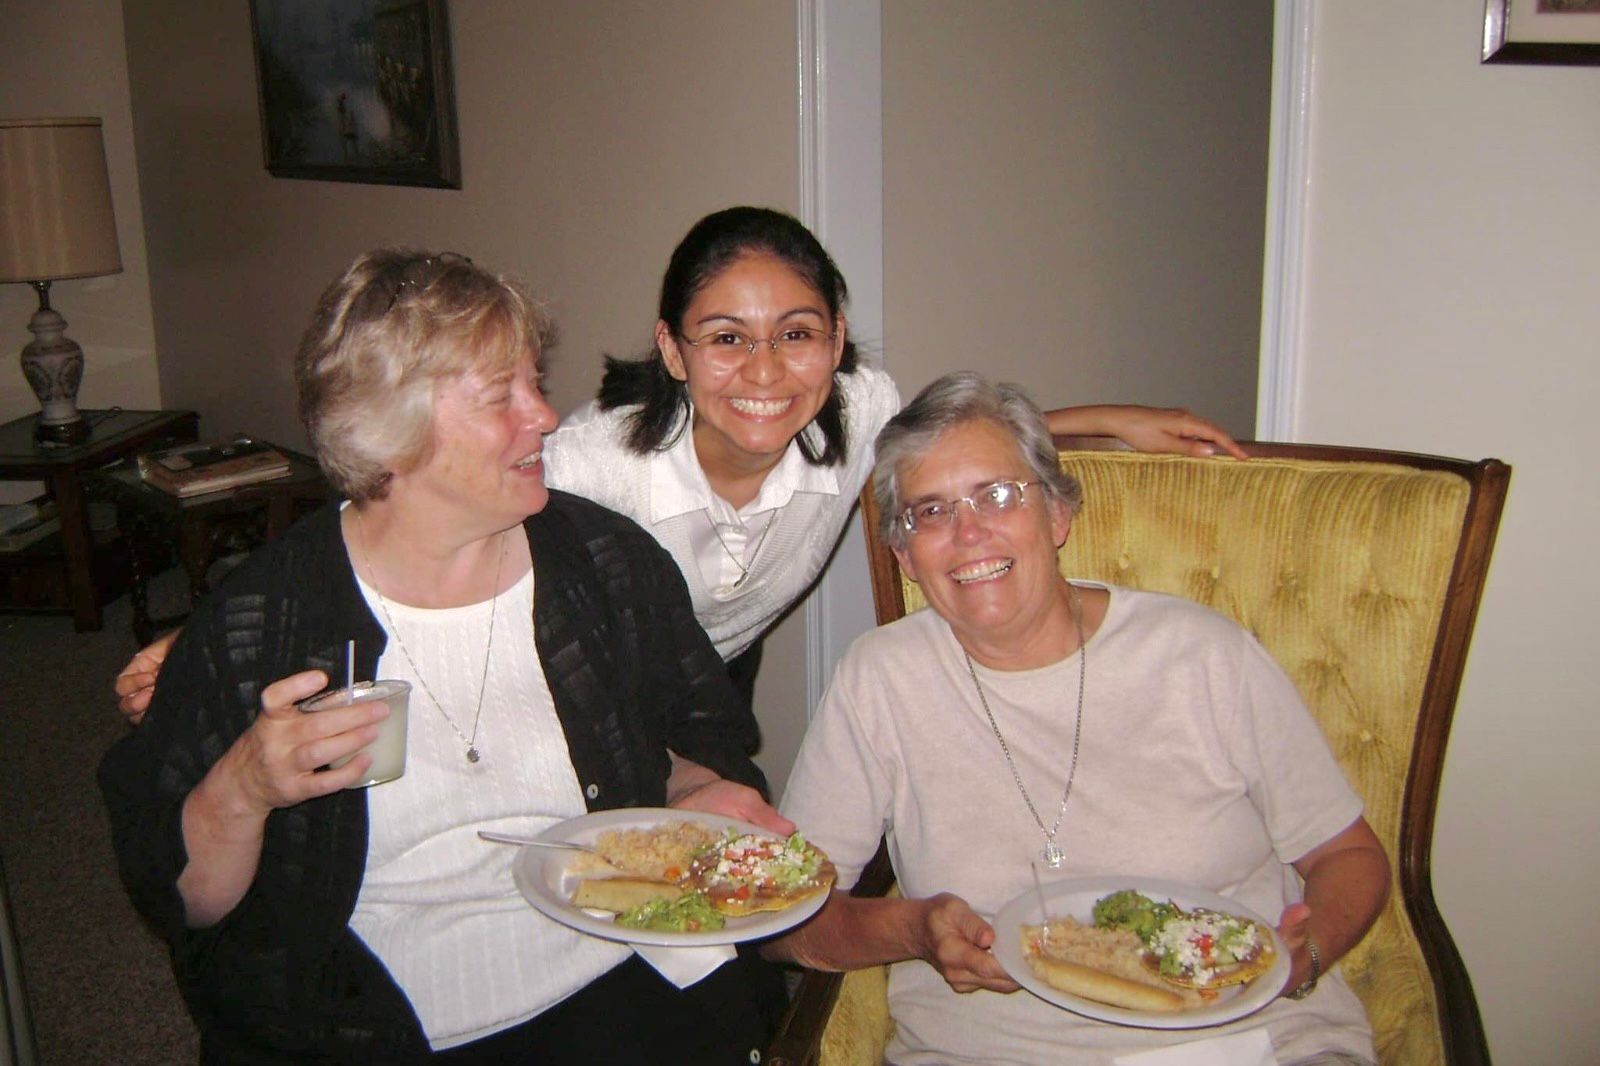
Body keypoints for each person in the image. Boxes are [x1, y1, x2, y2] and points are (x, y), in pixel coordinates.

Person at [116, 206, 1245, 721]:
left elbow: (969, 448)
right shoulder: (590, 462)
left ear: (838, 342)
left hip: (716, 674)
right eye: (724, 335)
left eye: (798, 331)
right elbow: (408, 515)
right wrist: (217, 632)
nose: (765, 369)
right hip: (583, 672)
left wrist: (1113, 422)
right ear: (670, 348)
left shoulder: (861, 411)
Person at [99, 250, 791, 1063]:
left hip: (617, 952)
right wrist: (247, 785)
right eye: (502, 396)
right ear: (388, 433)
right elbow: (188, 901)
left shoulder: (603, 563)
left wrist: (704, 790)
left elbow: (694, 739)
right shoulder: (263, 622)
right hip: (380, 1016)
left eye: (535, 380)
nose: (543, 414)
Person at [765, 372, 1391, 1065]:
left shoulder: (1204, 655)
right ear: (905, 555)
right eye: (931, 513)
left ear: (1057, 516)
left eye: (998, 496)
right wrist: (912, 930)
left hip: (1240, 1038)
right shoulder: (880, 679)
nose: (969, 533)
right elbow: (791, 922)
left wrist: (1303, 959)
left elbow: (1348, 856)